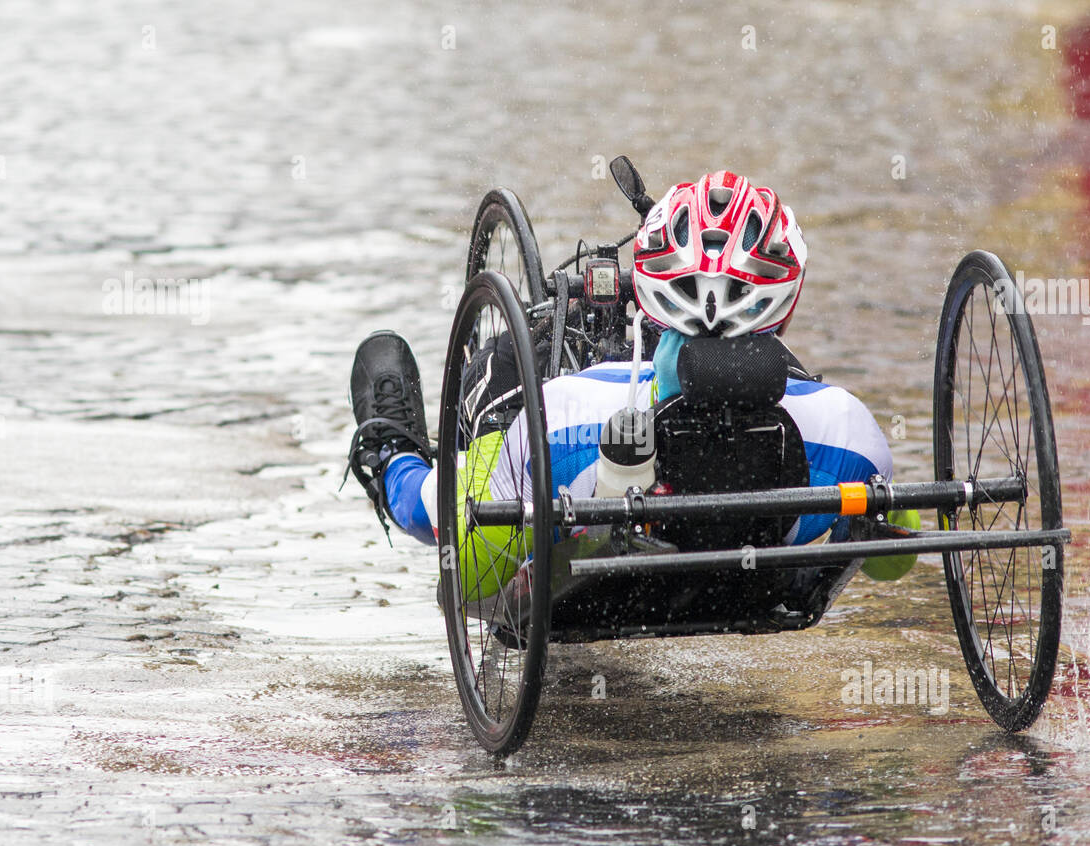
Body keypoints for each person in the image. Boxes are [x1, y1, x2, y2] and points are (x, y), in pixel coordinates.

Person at [344, 170, 917, 581]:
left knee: (434, 495)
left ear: (650, 290)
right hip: (777, 546)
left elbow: (468, 573)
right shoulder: (850, 434)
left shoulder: (563, 416)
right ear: (784, 301)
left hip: (565, 479)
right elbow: (895, 563)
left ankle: (392, 453)